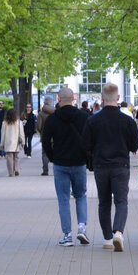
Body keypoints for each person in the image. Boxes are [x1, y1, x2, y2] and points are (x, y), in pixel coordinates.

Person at [82, 83, 138, 251]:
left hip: (101, 164)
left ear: (102, 98)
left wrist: (93, 156)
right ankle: (118, 232)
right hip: (121, 165)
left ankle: (107, 238)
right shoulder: (127, 121)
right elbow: (134, 145)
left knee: (104, 202)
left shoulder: (93, 120)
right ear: (118, 98)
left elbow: (85, 144)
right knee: (121, 201)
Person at [42, 86, 90, 246]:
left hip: (61, 162)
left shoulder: (52, 119)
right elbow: (90, 139)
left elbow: (45, 141)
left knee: (63, 199)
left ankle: (67, 234)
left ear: (58, 99)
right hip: (79, 162)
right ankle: (82, 227)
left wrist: (52, 157)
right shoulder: (83, 117)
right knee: (81, 195)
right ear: (74, 99)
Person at [0, 108, 26, 176]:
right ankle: (16, 169)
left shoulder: (4, 123)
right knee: (16, 157)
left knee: (9, 158)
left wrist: (2, 144)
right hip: (16, 142)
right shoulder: (19, 122)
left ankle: (11, 172)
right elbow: (21, 133)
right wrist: (23, 142)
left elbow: (3, 134)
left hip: (8, 142)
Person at [37, 97, 56, 175]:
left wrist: (42, 131)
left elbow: (39, 126)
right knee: (56, 153)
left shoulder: (41, 113)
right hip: (55, 137)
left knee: (44, 154)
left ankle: (45, 170)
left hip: (45, 136)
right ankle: (56, 170)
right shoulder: (56, 112)